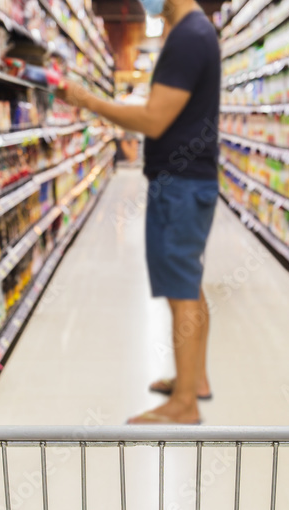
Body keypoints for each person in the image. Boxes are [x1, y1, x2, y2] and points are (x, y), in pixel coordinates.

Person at [57, 0, 220, 424]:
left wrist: (86, 99)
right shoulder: (192, 31)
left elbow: (152, 120)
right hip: (189, 182)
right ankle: (195, 378)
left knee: (181, 291)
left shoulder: (188, 36)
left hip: (182, 186)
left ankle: (184, 405)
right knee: (189, 283)